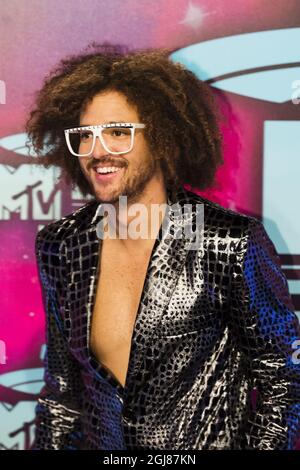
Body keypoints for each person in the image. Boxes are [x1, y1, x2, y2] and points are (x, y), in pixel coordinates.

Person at [26, 42, 300, 450]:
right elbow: (62, 393)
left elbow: (284, 383)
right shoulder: (62, 245)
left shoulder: (227, 241)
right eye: (85, 135)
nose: (98, 150)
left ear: (162, 137)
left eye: (119, 132)